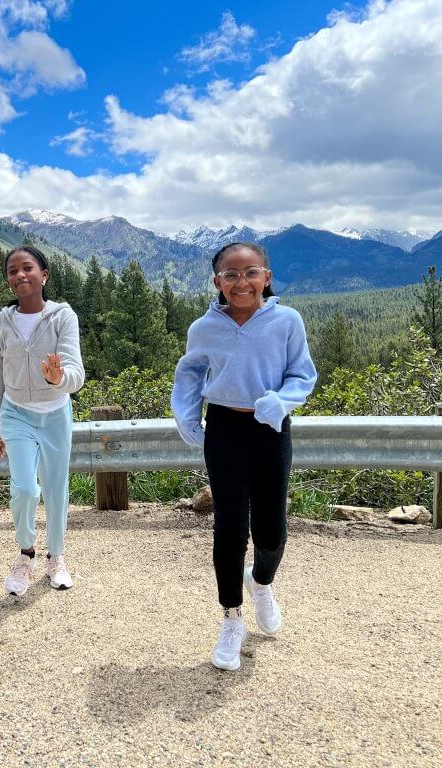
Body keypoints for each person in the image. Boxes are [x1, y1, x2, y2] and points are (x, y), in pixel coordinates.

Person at [171, 242, 317, 671]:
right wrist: (186, 413)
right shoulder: (204, 327)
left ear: (266, 277)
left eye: (250, 272)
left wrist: (283, 400)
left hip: (271, 428)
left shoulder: (287, 321)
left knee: (271, 531)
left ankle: (262, 581)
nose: (241, 282)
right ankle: (231, 618)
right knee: (230, 528)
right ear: (217, 281)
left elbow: (302, 373)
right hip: (225, 430)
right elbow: (190, 371)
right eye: (230, 275)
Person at [0, 244, 85, 597]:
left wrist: (57, 378)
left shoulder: (63, 317)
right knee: (26, 488)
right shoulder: (2, 321)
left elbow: (76, 373)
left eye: (27, 268)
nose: (19, 276)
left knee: (56, 490)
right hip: (16, 414)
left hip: (56, 414)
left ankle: (56, 557)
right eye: (12, 271)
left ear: (43, 275)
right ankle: (25, 553)